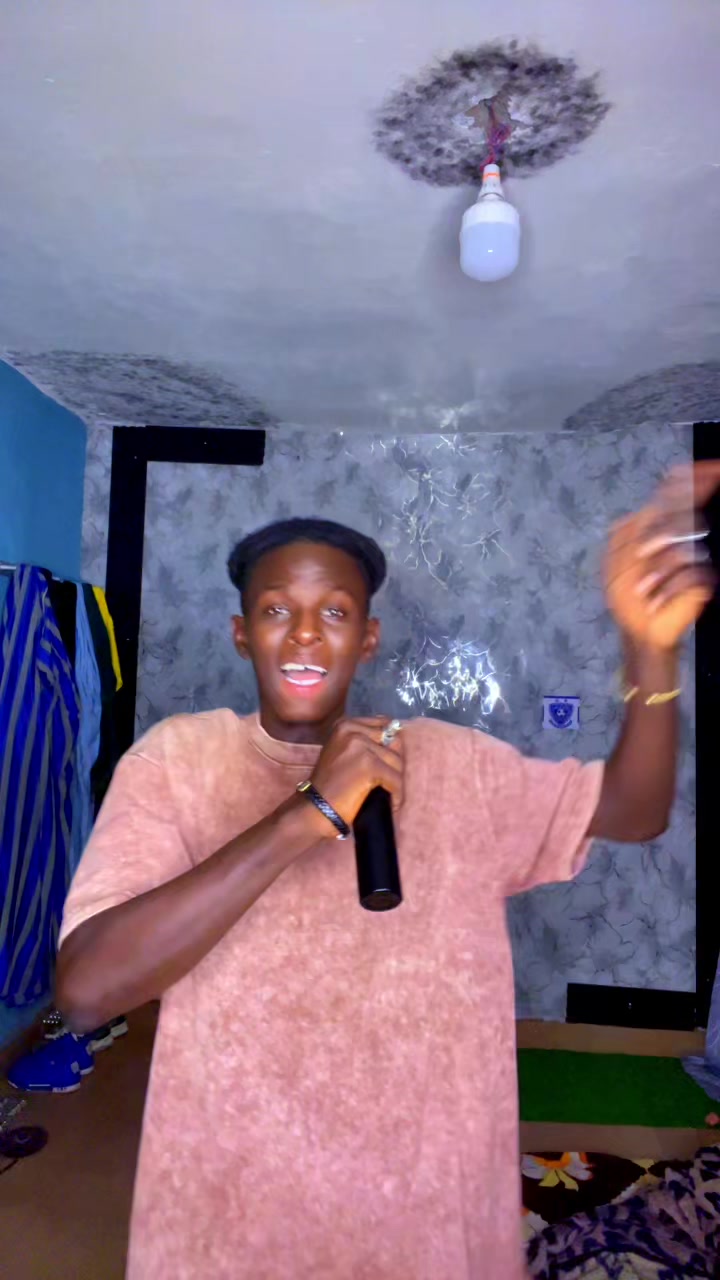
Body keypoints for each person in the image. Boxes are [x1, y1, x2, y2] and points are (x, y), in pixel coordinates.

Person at [56, 464, 718, 1280]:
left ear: (367, 638)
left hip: (424, 1221)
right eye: (276, 611)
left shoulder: (453, 763)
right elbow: (86, 990)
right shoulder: (175, 761)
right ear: (241, 634)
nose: (305, 634)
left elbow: (633, 811)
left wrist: (651, 652)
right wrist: (307, 813)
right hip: (233, 1219)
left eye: (334, 612)